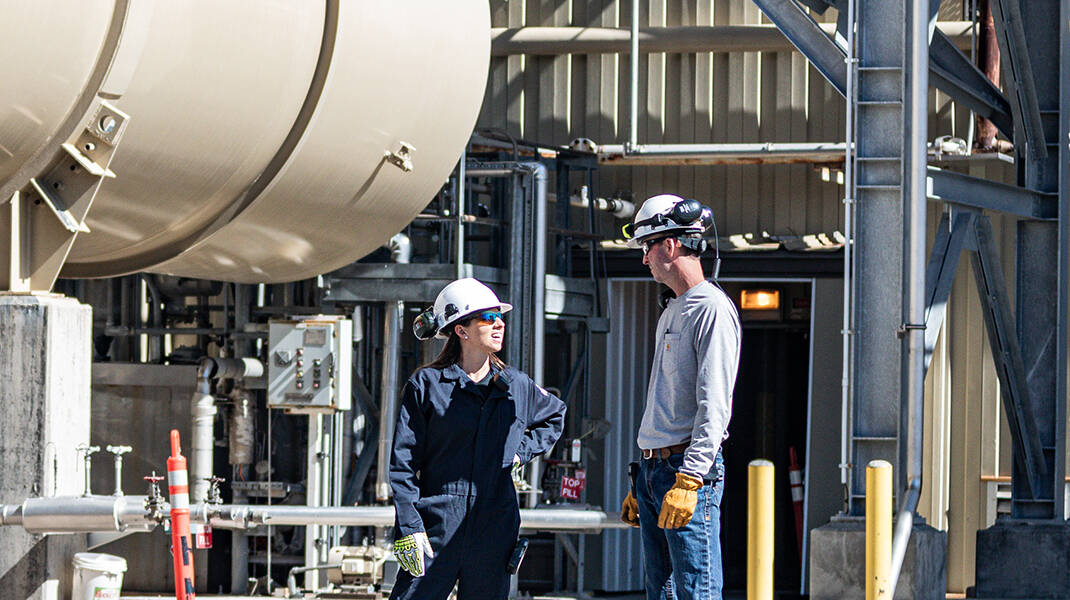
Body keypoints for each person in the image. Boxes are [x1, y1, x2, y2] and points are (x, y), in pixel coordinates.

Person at [389, 277, 566, 600]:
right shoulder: (427, 385)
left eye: (500, 317)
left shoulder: (516, 385)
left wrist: (518, 452)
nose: (499, 324)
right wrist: (410, 527)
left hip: (494, 525)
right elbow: (402, 466)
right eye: (488, 317)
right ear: (461, 330)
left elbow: (556, 415)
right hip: (437, 524)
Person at [619, 194, 741, 600]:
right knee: (664, 593)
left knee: (695, 591)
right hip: (657, 471)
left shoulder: (710, 309)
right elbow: (666, 400)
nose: (644, 259)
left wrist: (689, 478)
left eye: (646, 248)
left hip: (686, 471)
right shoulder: (675, 308)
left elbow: (715, 405)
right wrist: (644, 476)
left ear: (669, 245)